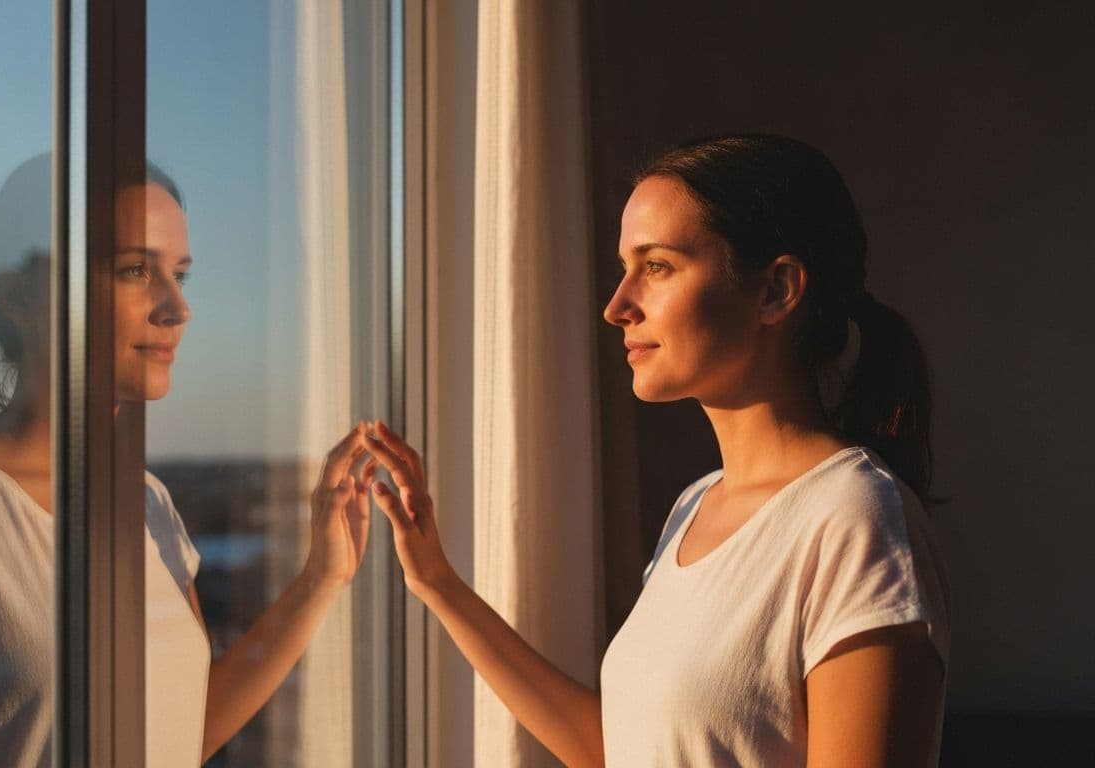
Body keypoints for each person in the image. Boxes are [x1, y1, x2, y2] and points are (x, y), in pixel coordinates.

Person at [360, 134, 951, 767]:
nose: (617, 307)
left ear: (776, 289)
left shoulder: (853, 517)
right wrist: (438, 585)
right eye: (624, 268)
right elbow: (621, 751)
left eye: (658, 266)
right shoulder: (695, 506)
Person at [0, 154, 372, 767]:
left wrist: (320, 580)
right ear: (18, 294)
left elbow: (179, 734)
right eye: (136, 270)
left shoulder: (147, 502)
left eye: (181, 275)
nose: (177, 307)